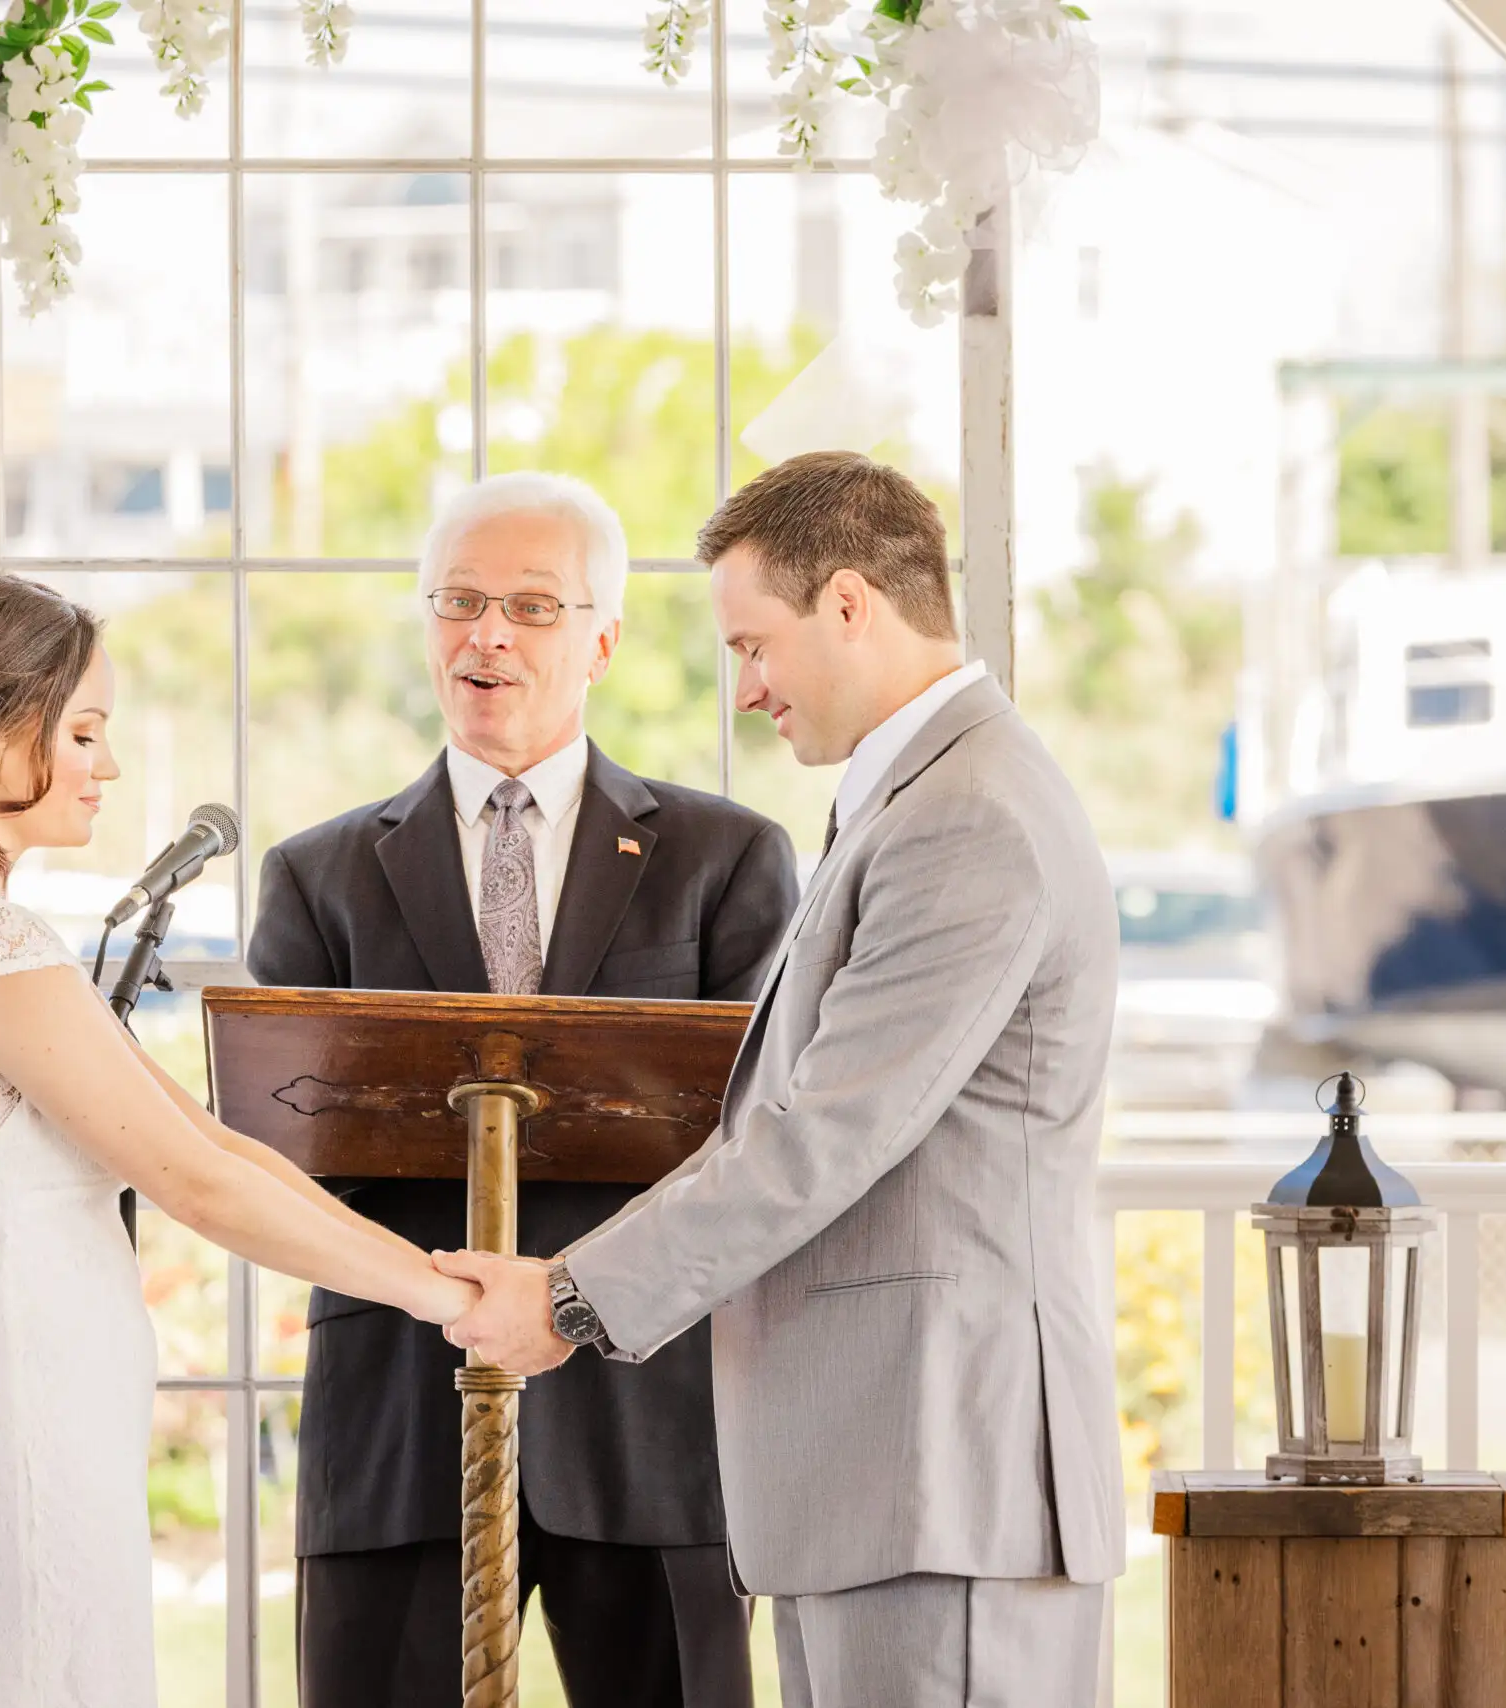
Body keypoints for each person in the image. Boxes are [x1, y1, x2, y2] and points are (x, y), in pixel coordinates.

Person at [439, 452, 1126, 1708]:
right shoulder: (914, 799)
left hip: (941, 1478)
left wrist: (569, 1300)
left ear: (851, 605)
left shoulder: (968, 815)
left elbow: (822, 1137)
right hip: (874, 1482)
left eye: (753, 644)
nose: (746, 688)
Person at [0, 574, 477, 1708]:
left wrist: (426, 1274)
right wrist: (444, 1297)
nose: (108, 765)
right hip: (19, 1438)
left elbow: (205, 1140)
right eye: (85, 731)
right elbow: (199, 1178)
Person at [251, 472, 796, 1708]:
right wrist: (450, 1285)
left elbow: (752, 1137)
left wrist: (568, 1293)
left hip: (646, 1423)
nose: (486, 633)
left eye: (533, 607)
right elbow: (283, 1157)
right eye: (459, 601)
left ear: (602, 638)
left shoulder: (725, 862)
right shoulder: (316, 878)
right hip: (397, 1415)